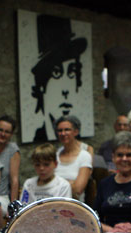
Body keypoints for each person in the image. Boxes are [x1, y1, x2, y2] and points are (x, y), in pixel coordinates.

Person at [31, 14, 89, 142]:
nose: (65, 90)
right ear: (41, 86)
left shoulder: (82, 147)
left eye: (71, 73)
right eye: (56, 73)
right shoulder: (39, 136)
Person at [54, 115, 93, 202]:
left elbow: (78, 189)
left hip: (74, 205)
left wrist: (56, 185)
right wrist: (70, 183)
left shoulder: (84, 156)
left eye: (67, 130)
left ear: (76, 132)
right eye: (60, 130)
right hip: (54, 203)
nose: (63, 133)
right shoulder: (55, 155)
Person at [0, 115, 21, 211]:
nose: (3, 134)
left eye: (7, 132)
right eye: (0, 130)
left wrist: (12, 207)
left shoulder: (12, 149)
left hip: (2, 197)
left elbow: (14, 180)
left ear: (11, 134)